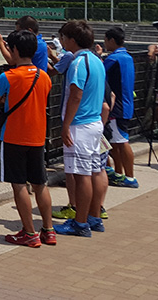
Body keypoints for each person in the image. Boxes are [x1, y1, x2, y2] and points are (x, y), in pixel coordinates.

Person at [0, 30, 55, 247]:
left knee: (19, 185)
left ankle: (29, 232)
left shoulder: (8, 76)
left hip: (14, 135)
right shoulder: (43, 75)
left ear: (15, 49)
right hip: (37, 136)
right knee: (40, 183)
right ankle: (48, 229)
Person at [53, 20, 108, 237]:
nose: (62, 41)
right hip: (94, 123)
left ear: (72, 40)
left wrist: (65, 125)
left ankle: (81, 222)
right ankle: (93, 217)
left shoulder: (78, 62)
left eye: (64, 38)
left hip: (81, 124)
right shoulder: (96, 60)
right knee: (93, 170)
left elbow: (76, 94)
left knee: (82, 174)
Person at [102, 27, 137, 188]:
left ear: (111, 40)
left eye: (105, 40)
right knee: (116, 141)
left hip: (118, 107)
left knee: (121, 141)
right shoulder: (127, 57)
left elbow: (100, 70)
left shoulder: (114, 59)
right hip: (127, 103)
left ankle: (129, 177)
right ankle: (118, 172)